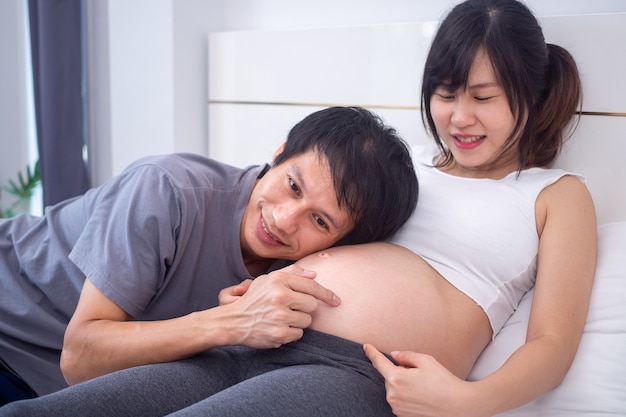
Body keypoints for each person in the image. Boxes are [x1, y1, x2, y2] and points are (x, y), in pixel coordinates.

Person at [0, 0, 598, 415]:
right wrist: (250, 291)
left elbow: (550, 343)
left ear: (530, 94)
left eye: (485, 98)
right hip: (254, 338)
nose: (459, 118)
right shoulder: (400, 165)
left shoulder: (554, 194)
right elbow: (322, 234)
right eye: (446, 94)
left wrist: (469, 403)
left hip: (360, 371)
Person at [0, 106, 419, 406]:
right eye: (293, 186)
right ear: (280, 152)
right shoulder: (166, 190)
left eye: (321, 221)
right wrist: (227, 324)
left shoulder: (297, 274)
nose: (284, 219)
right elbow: (79, 357)